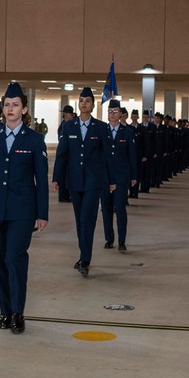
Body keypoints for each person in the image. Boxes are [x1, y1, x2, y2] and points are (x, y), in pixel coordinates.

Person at [0, 82, 49, 333]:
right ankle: (5, 312)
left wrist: (42, 213)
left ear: (24, 109)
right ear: (2, 109)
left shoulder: (35, 140)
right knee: (0, 262)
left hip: (23, 212)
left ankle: (18, 312)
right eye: (7, 105)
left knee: (15, 259)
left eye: (15, 105)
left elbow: (41, 179)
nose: (10, 109)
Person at [52, 87, 115, 276]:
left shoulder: (101, 128)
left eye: (87, 100)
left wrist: (111, 180)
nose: (83, 103)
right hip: (74, 180)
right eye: (81, 100)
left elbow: (107, 157)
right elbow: (62, 154)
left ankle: (85, 259)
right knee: (80, 220)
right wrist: (56, 178)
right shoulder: (69, 126)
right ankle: (83, 254)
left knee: (88, 218)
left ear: (93, 105)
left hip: (94, 181)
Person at [100, 100, 137, 251]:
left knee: (120, 208)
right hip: (105, 177)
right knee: (106, 209)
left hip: (121, 177)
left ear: (121, 114)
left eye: (115, 111)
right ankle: (109, 239)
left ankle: (122, 240)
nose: (112, 114)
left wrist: (133, 176)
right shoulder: (102, 131)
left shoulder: (127, 132)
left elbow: (132, 155)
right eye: (110, 111)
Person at [56, 105, 75, 203]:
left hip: (70, 156)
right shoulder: (64, 125)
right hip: (65, 155)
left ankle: (67, 194)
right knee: (63, 177)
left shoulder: (71, 124)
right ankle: (63, 196)